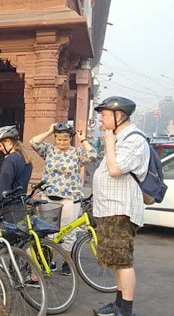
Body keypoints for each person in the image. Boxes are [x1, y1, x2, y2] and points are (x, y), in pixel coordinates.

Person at [92, 96, 149, 316]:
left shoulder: (134, 140)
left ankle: (126, 309)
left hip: (120, 210)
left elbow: (115, 170)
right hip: (109, 209)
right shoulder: (119, 137)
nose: (100, 119)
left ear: (119, 116)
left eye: (104, 114)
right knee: (116, 260)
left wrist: (108, 143)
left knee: (124, 261)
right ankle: (118, 303)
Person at [30, 122, 96, 276]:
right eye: (58, 139)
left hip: (69, 198)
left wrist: (83, 139)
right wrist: (49, 130)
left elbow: (93, 155)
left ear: (70, 139)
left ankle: (67, 263)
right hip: (49, 196)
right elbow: (33, 142)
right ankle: (51, 262)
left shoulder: (77, 153)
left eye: (65, 140)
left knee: (68, 232)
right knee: (51, 233)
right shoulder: (49, 150)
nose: (61, 143)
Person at [0, 125, 33, 208]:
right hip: (20, 204)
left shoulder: (11, 160)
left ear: (8, 142)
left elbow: (4, 186)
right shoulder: (25, 158)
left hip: (9, 207)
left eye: (0, 145)